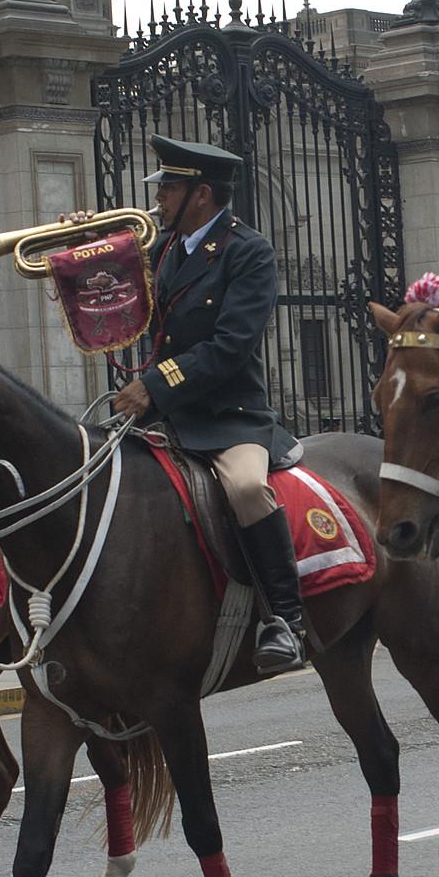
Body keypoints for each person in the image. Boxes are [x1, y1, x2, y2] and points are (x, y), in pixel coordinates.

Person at [113, 135, 306, 675]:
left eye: (169, 188)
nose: (160, 199)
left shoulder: (249, 251)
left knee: (247, 490)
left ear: (201, 195)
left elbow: (231, 346)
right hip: (164, 415)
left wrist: (154, 384)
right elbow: (111, 302)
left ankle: (285, 620)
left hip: (228, 416)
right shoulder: (163, 250)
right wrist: (81, 252)